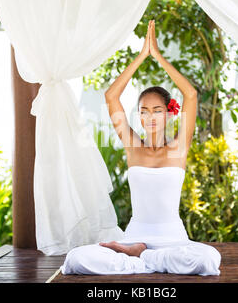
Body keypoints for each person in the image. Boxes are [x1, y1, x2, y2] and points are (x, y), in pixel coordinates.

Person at [60, 20, 221, 276]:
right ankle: (146, 256)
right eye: (144, 111)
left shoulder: (179, 148)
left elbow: (190, 94)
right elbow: (111, 96)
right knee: (75, 259)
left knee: (208, 260)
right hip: (135, 234)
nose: (150, 117)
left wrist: (157, 56)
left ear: (169, 114)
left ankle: (141, 257)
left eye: (157, 110)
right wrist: (141, 56)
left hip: (173, 238)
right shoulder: (132, 146)